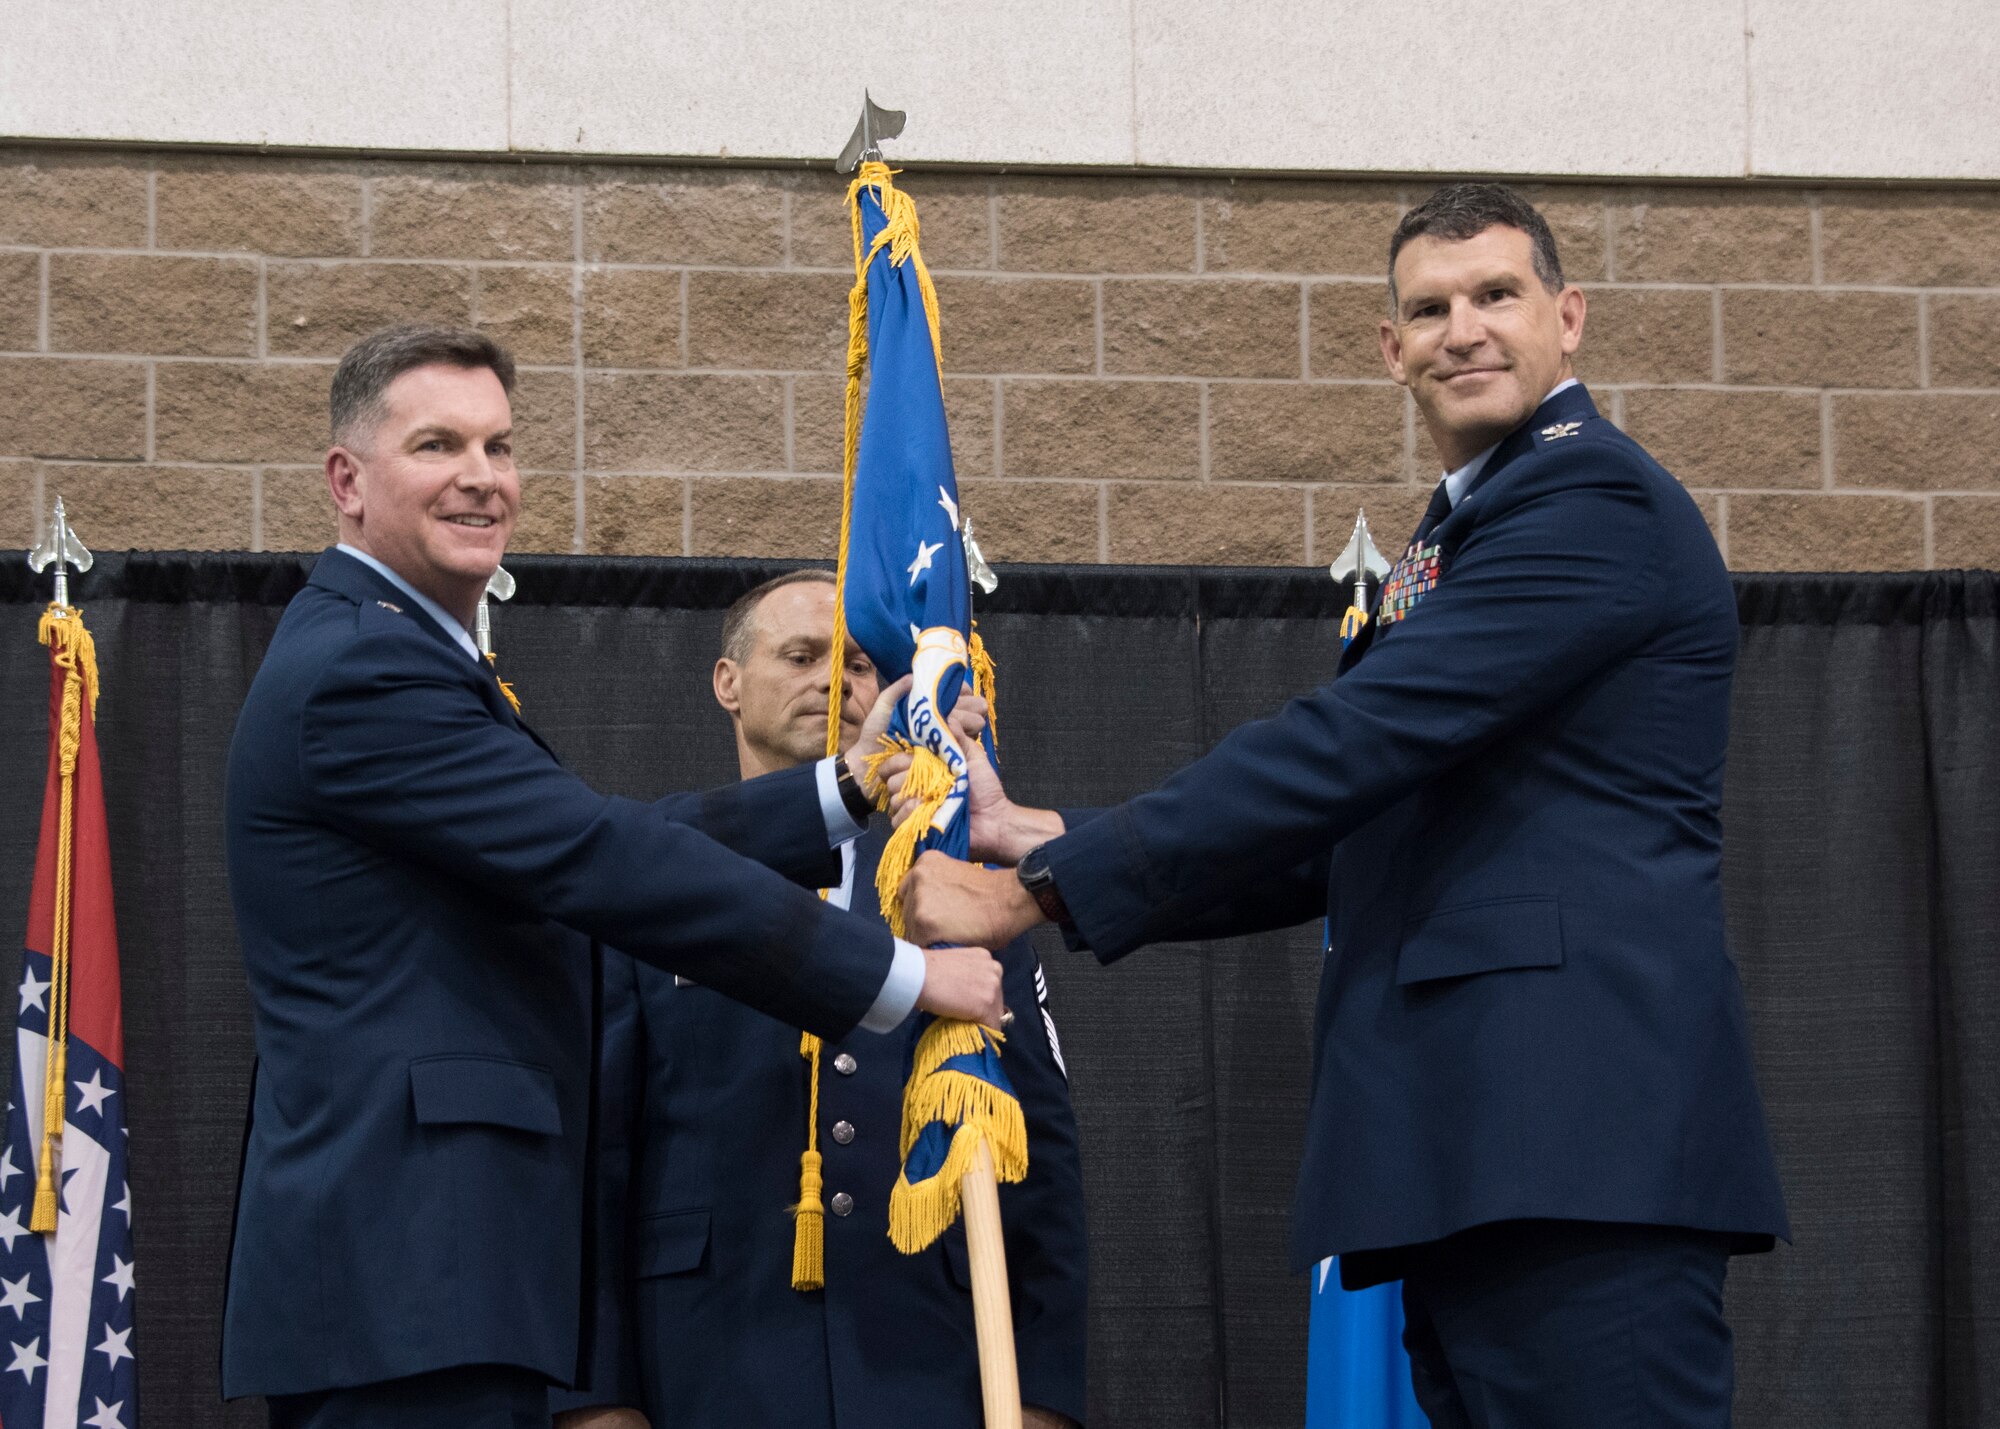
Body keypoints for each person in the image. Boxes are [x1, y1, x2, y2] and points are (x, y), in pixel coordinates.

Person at [897, 184, 1789, 1428]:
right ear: (1389, 348)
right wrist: (1035, 834)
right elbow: (1354, 825)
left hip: (1575, 1144)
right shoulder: (1462, 529)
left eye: (1495, 295)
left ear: (1568, 317)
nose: (1460, 330)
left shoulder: (1591, 504)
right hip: (1475, 1154)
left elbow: (1351, 742)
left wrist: (1024, 895)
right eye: (1427, 308)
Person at [220, 324, 1005, 1429]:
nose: (480, 477)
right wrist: (902, 976)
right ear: (346, 481)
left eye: (498, 445)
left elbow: (600, 837)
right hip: (407, 1276)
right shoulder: (364, 664)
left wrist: (847, 786)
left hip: (433, 1284)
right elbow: (600, 860)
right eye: (438, 444)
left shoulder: (394, 649)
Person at [552, 569, 1087, 1429]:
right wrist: (596, 1406)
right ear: (728, 683)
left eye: (859, 666)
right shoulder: (648, 883)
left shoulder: (955, 891)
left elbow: (1041, 1165)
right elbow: (594, 1166)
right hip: (710, 1367)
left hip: (928, 1368)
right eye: (801, 655)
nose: (835, 682)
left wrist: (1041, 1403)